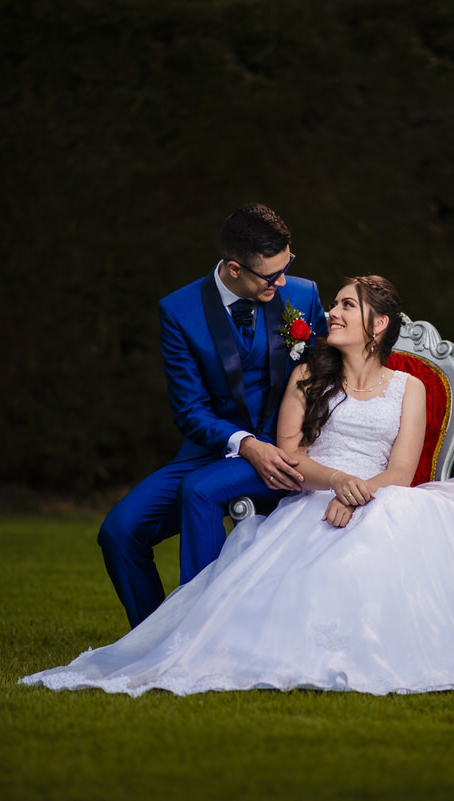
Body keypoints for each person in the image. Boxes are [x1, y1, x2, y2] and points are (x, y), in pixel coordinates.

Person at [24, 276, 454, 697]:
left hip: (388, 501)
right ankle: (187, 640)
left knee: (391, 546)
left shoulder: (410, 387)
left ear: (379, 325)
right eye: (334, 304)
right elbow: (291, 454)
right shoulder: (308, 375)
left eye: (347, 306)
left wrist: (360, 493)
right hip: (312, 495)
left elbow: (404, 468)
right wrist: (335, 483)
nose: (331, 311)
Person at [97, 203, 327, 627]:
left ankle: (203, 633)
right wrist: (246, 444)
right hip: (213, 448)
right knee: (119, 532)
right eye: (271, 275)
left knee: (200, 493)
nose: (282, 281)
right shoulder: (179, 312)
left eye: (287, 266)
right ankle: (154, 638)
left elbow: (327, 378)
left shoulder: (302, 295)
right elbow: (190, 410)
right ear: (234, 268)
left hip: (286, 448)